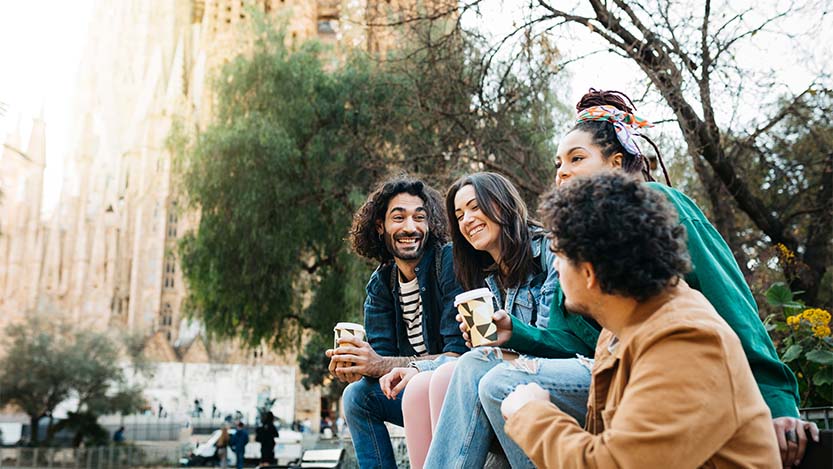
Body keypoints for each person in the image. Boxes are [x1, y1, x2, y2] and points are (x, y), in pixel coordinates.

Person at [425, 88, 815, 469]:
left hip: (667, 380)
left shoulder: (661, 218)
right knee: (480, 367)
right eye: (558, 162)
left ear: (615, 163)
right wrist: (517, 333)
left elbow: (734, 309)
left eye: (576, 158)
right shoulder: (593, 273)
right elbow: (573, 343)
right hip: (610, 371)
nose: (562, 171)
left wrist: (777, 404)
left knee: (502, 384)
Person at [501, 172, 784, 467]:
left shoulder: (685, 341)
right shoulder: (619, 333)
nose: (556, 268)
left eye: (559, 256)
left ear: (589, 273)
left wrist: (532, 415)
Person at [379, 172, 560, 469]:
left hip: (546, 372)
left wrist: (505, 338)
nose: (467, 220)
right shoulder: (486, 277)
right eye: (460, 215)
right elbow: (477, 354)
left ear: (502, 204)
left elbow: (547, 341)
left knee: (445, 378)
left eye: (475, 207)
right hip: (500, 372)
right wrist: (415, 367)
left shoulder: (546, 253)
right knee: (418, 386)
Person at [325, 176, 468, 468]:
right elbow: (380, 361)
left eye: (420, 217)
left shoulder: (448, 264)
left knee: (428, 382)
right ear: (380, 226)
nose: (410, 227)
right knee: (356, 396)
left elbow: (457, 357)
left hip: (453, 392)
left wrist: (378, 364)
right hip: (414, 395)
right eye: (398, 217)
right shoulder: (380, 284)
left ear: (430, 225)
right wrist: (355, 367)